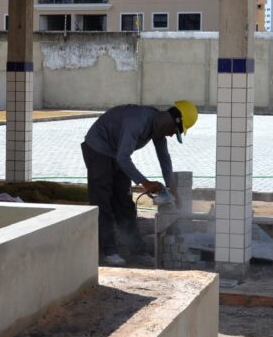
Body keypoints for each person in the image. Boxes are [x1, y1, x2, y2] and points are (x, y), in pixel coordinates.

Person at [81, 100, 198, 266]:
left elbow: (164, 157)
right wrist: (145, 182)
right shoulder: (137, 121)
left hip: (116, 153)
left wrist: (173, 189)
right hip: (98, 148)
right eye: (175, 131)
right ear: (173, 121)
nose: (172, 135)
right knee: (103, 202)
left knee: (125, 203)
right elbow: (123, 157)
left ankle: (138, 251)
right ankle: (109, 252)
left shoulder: (158, 126)